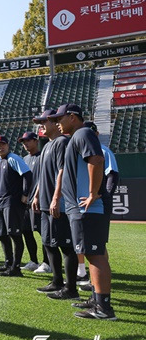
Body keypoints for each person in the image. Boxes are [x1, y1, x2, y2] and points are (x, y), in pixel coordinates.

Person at [48, 104, 115, 320]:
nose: (57, 121)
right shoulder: (76, 137)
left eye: (60, 117)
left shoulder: (83, 132)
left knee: (95, 255)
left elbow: (96, 160)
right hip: (80, 208)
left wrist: (93, 192)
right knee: (94, 253)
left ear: (73, 117)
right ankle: (97, 299)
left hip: (87, 207)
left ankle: (103, 308)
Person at [31, 109, 78, 300]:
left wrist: (56, 198)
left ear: (53, 122)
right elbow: (43, 176)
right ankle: (57, 281)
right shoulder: (47, 146)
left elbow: (62, 171)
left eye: (44, 121)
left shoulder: (62, 142)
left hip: (58, 204)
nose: (41, 125)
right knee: (48, 243)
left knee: (66, 246)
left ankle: (71, 288)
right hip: (44, 203)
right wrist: (36, 195)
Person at [76, 121, 119, 288]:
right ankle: (95, 281)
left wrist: (105, 196)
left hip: (98, 202)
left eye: (91, 132)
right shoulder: (82, 151)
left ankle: (99, 284)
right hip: (87, 202)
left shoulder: (103, 150)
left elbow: (112, 175)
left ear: (96, 133)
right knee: (89, 244)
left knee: (97, 245)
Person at [0, 135, 32, 277]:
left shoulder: (13, 158)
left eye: (3, 144)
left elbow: (28, 175)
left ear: (8, 145)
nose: (0, 147)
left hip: (12, 202)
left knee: (14, 234)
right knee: (1, 234)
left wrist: (25, 194)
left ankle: (16, 268)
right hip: (1, 202)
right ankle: (8, 263)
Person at [17, 131, 43, 272]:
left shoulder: (42, 157)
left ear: (36, 141)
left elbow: (44, 179)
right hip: (25, 202)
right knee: (26, 231)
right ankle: (33, 260)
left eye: (28, 140)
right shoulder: (24, 159)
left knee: (43, 232)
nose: (25, 143)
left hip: (38, 201)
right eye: (23, 141)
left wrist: (37, 196)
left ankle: (47, 263)